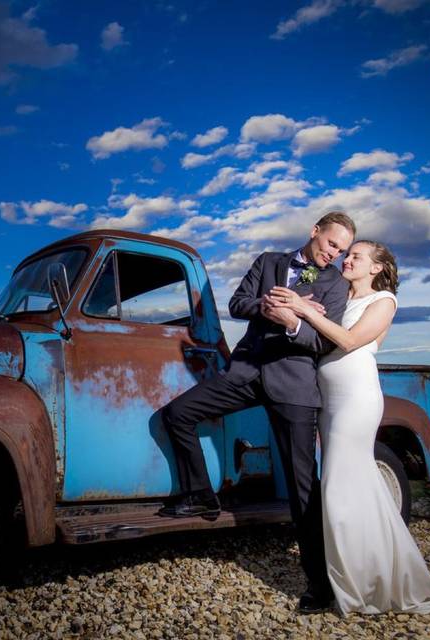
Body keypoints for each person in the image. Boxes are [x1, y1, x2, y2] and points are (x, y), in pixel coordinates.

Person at [157, 211, 356, 614]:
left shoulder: (335, 284)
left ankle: (320, 586)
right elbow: (236, 304)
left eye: (342, 250)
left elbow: (322, 343)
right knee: (177, 414)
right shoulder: (269, 262)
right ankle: (201, 496)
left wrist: (294, 320)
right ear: (314, 231)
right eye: (331, 244)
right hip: (247, 372)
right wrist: (266, 308)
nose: (334, 255)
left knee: (303, 489)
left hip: (295, 386)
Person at [264, 240, 430, 615]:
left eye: (356, 256)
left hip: (356, 399)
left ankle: (363, 582)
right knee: (356, 487)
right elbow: (315, 339)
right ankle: (360, 574)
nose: (347, 259)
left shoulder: (383, 303)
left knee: (338, 486)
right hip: (330, 400)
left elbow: (349, 340)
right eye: (347, 254)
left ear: (377, 268)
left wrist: (302, 308)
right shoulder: (337, 296)